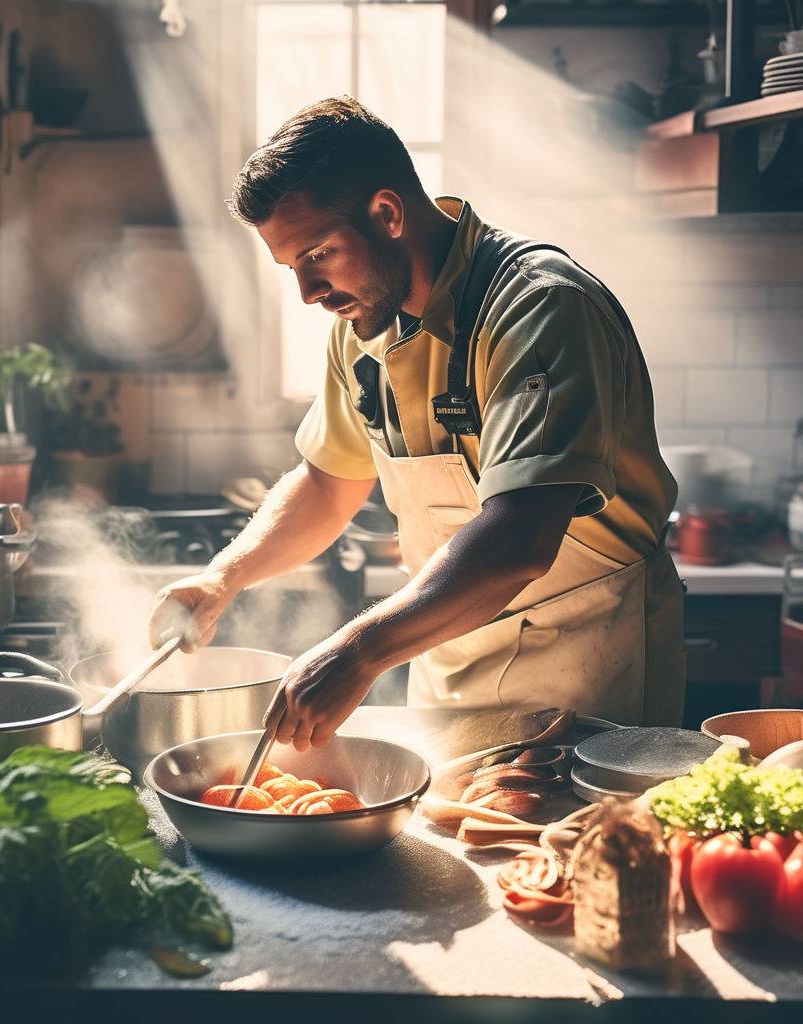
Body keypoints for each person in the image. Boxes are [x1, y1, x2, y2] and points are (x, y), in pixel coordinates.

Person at [149, 96, 684, 752]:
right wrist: (222, 577)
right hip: (449, 668)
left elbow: (520, 537)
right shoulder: (360, 327)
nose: (308, 292)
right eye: (294, 268)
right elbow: (326, 484)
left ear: (387, 213)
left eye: (319, 254)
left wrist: (356, 651)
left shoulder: (540, 308)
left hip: (591, 678)